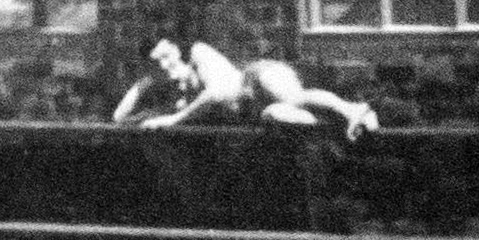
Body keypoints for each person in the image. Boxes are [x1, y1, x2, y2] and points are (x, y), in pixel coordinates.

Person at [113, 36, 375, 142]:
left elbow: (218, 93)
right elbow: (119, 117)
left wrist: (174, 119)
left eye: (167, 55)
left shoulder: (199, 54)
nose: (164, 64)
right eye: (157, 62)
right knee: (280, 114)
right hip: (256, 109)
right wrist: (143, 82)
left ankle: (351, 108)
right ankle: (351, 124)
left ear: (178, 49)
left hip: (256, 78)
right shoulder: (178, 92)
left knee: (292, 97)